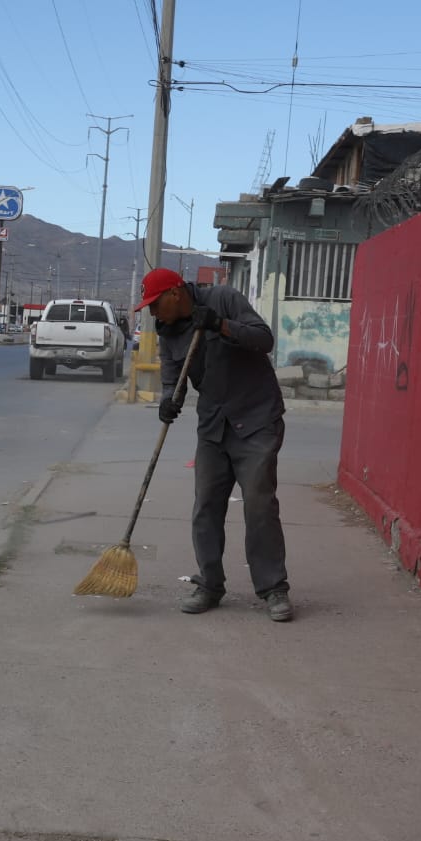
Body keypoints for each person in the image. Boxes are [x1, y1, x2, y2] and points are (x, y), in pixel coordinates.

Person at [135, 267, 293, 622]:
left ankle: (273, 587)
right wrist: (168, 399)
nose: (152, 312)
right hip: (213, 424)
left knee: (259, 505)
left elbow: (264, 339)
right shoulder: (167, 330)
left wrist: (220, 325)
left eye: (155, 304)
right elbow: (172, 375)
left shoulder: (224, 299)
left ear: (175, 293)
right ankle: (209, 584)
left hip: (256, 418)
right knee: (205, 505)